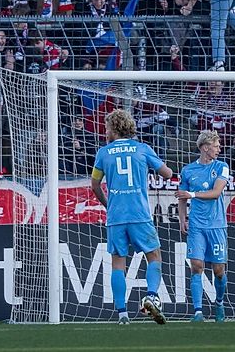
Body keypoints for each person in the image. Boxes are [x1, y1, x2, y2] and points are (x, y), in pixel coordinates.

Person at [90, 109, 174, 325]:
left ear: (114, 129)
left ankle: (123, 315)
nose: (105, 130)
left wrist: (108, 205)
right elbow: (168, 174)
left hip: (116, 216)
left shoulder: (104, 153)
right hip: (139, 214)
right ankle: (152, 296)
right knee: (154, 255)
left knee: (118, 263)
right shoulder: (142, 149)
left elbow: (95, 185)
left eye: (107, 127)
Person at [176, 130, 230, 323]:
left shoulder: (222, 167)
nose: (219, 149)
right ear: (205, 148)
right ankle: (198, 312)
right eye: (216, 146)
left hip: (216, 226)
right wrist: (183, 219)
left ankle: (219, 302)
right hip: (197, 225)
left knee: (218, 270)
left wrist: (192, 195)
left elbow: (216, 193)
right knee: (196, 266)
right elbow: (181, 197)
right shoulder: (188, 170)